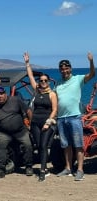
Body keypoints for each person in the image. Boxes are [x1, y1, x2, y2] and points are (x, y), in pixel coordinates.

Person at [55, 53, 95, 181]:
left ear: (70, 69)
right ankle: (68, 168)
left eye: (66, 68)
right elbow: (53, 98)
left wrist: (91, 62)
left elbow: (92, 75)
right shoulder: (58, 84)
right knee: (66, 145)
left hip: (75, 117)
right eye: (62, 69)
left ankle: (80, 170)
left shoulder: (78, 79)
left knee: (78, 144)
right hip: (61, 118)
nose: (64, 70)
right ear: (60, 70)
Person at [0, 86, 33, 180]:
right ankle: (0, 170)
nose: (0, 96)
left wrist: (31, 124)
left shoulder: (15, 100)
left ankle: (28, 166)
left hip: (20, 130)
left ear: (5, 94)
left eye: (1, 94)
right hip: (3, 132)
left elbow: (28, 111)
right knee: (1, 145)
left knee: (28, 144)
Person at [23, 52, 58, 182]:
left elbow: (54, 110)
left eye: (45, 80)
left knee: (43, 145)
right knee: (38, 145)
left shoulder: (52, 94)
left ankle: (42, 170)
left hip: (47, 122)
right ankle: (45, 168)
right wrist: (27, 64)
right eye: (41, 80)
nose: (43, 82)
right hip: (35, 122)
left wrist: (48, 122)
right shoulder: (37, 91)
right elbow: (31, 76)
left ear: (48, 82)